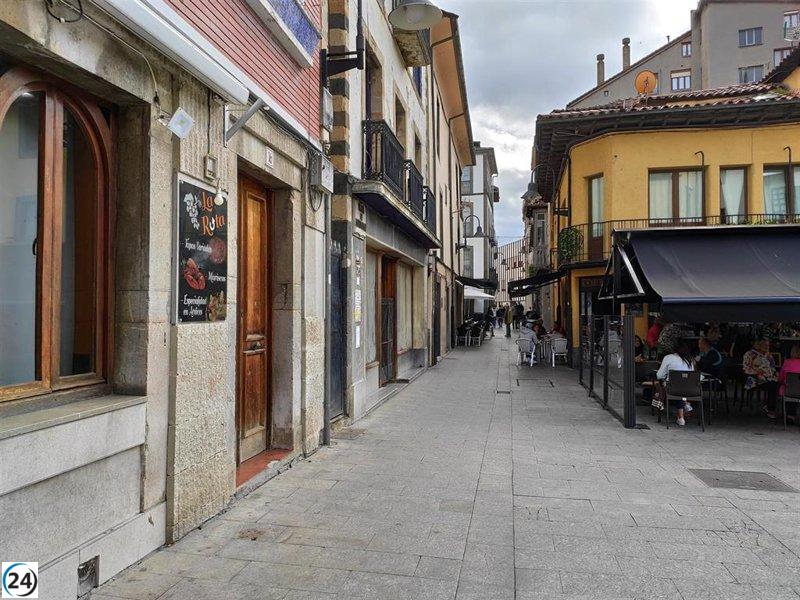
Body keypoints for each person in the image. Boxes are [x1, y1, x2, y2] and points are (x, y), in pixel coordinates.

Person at [656, 340, 695, 426]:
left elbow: (659, 375)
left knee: (674, 387)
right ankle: (685, 405)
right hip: (689, 390)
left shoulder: (668, 358)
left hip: (673, 389)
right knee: (682, 389)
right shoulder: (690, 361)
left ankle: (681, 417)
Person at [743, 338, 779, 419]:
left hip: (769, 379)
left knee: (779, 384)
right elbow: (746, 368)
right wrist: (758, 372)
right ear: (759, 345)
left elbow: (773, 368)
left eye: (768, 345)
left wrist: (776, 374)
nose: (767, 347)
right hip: (755, 379)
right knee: (773, 386)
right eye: (765, 345)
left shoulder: (769, 355)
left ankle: (769, 404)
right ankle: (770, 409)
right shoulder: (750, 354)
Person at [778, 344, 800, 424]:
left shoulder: (787, 362)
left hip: (789, 390)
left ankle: (789, 416)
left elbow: (780, 378)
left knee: (786, 388)